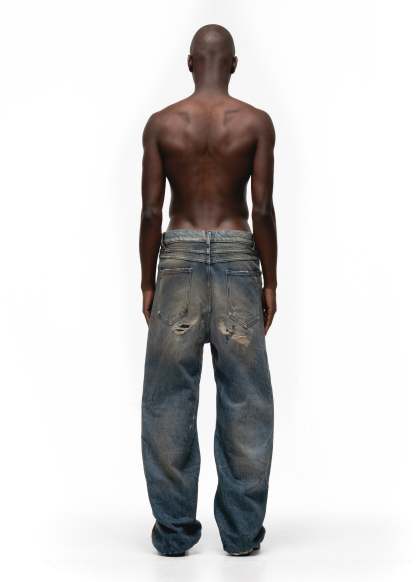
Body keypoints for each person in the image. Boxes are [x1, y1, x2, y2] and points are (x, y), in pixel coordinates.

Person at [139, 24, 277, 557]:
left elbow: (151, 211)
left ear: (190, 62)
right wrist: (271, 278)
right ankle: (241, 536)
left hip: (177, 258)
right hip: (240, 259)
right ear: (234, 65)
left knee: (168, 401)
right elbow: (261, 209)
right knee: (246, 400)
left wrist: (147, 279)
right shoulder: (256, 123)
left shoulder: (162, 124)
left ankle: (174, 533)